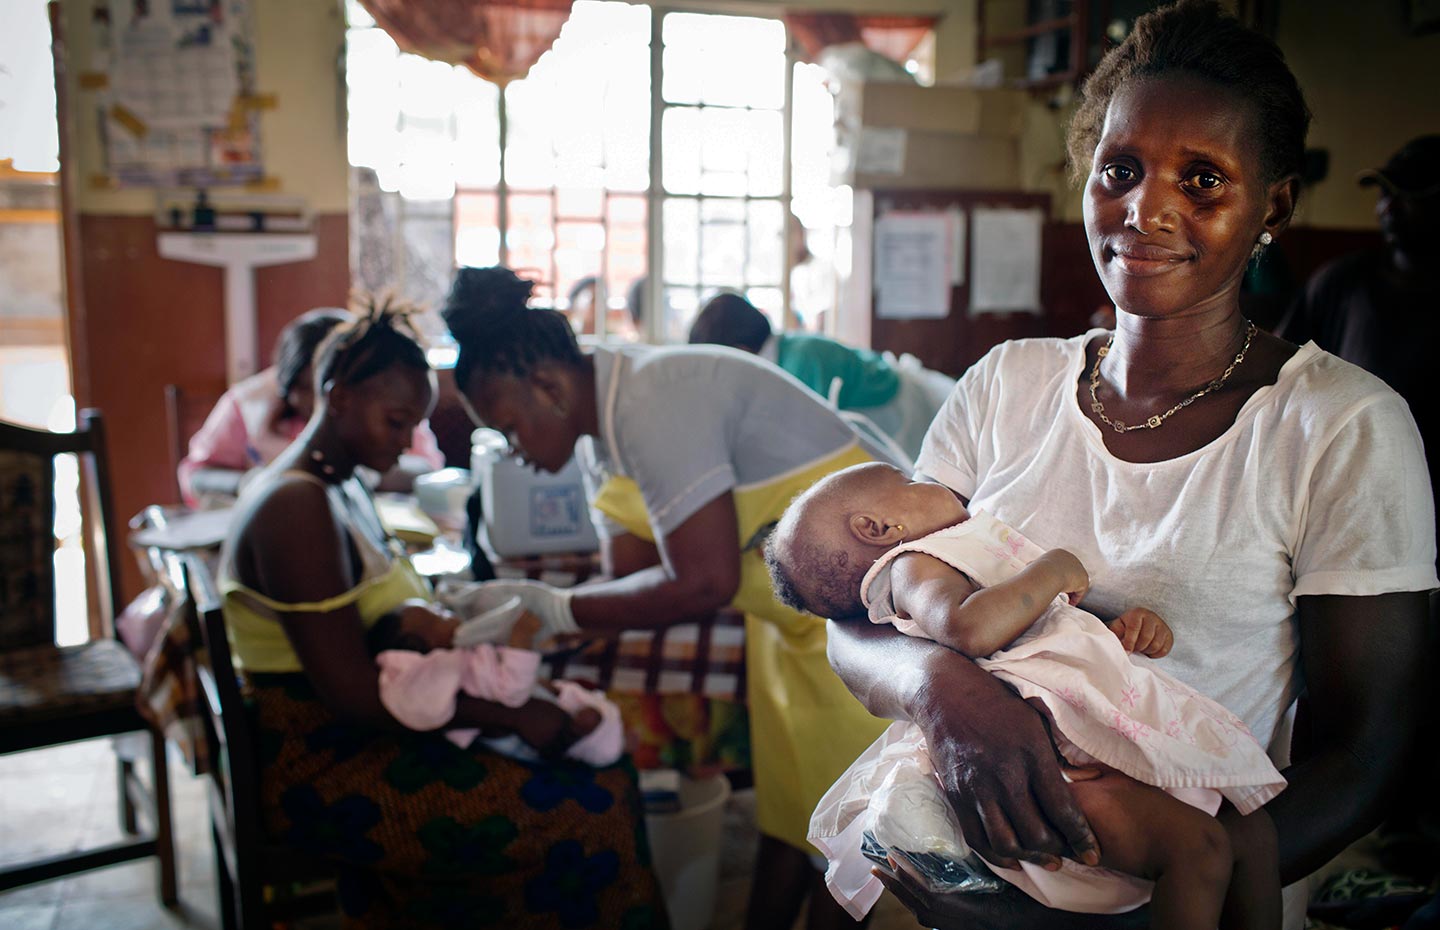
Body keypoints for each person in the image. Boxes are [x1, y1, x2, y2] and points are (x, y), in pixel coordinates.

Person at [824, 3, 1437, 929]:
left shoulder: (1340, 426)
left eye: (1203, 179)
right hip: (950, 871)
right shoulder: (1007, 383)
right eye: (1121, 170)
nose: (1147, 209)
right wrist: (945, 698)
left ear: (1272, 204)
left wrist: (1172, 893)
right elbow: (856, 602)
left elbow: (1368, 752)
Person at [440, 265, 892, 930]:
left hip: (856, 616)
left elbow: (702, 582)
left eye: (510, 427)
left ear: (548, 386)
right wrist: (534, 610)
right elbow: (629, 569)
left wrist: (557, 610)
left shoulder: (653, 400)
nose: (513, 451)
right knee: (792, 812)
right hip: (789, 627)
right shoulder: (604, 422)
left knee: (848, 844)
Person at [217, 302, 666, 928]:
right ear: (337, 395)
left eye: (414, 423)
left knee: (577, 753)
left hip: (376, 720)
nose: (407, 442)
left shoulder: (337, 485)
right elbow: (352, 696)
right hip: (326, 763)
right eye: (397, 421)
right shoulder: (295, 507)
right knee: (592, 800)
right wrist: (512, 712)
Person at [768, 461, 1284, 929]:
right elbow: (967, 629)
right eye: (911, 481)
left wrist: (1117, 628)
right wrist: (1052, 569)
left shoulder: (960, 549)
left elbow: (1043, 627)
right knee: (1198, 851)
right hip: (1048, 745)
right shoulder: (911, 566)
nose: (930, 481)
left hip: (1078, 714)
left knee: (1251, 834)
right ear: (877, 529)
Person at [178, 307, 443, 506]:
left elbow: (428, 468)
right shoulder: (248, 405)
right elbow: (196, 474)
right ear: (288, 385)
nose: (320, 401)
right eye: (310, 387)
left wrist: (361, 472)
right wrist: (252, 482)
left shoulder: (384, 402)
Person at [688, 292, 954, 461]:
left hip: (900, 411)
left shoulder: (801, 361)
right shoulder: (784, 353)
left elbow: (808, 438)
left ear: (740, 350)